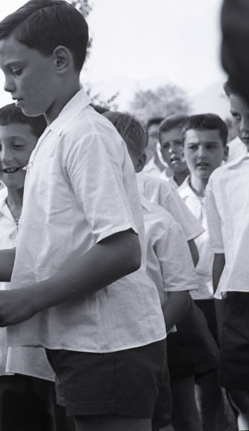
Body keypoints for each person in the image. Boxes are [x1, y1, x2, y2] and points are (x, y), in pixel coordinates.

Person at [0, 0, 167, 431]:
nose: (7, 85)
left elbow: (123, 249)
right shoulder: (55, 137)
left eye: (16, 70)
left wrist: (31, 298)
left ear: (60, 61)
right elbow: (35, 257)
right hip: (81, 341)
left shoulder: (86, 135)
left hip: (108, 341)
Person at [0, 105, 67, 431]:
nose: (6, 157)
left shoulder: (63, 215)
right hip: (4, 371)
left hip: (60, 365)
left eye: (18, 145)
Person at [104, 112, 204, 431]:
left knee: (169, 414)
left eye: (115, 154)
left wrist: (149, 332)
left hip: (155, 333)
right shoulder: (73, 213)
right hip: (95, 348)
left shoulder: (156, 208)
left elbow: (183, 274)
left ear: (139, 162)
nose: (102, 163)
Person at [178, 113, 231, 430]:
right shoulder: (172, 200)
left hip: (233, 300)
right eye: (193, 147)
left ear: (225, 150)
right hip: (192, 305)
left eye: (211, 146)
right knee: (203, 395)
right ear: (182, 151)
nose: (201, 155)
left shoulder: (239, 194)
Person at [206, 80, 249, 429]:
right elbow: (220, 257)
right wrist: (224, 329)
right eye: (237, 116)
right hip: (240, 307)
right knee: (241, 397)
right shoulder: (223, 180)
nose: (244, 128)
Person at [158, 115, 190, 187]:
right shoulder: (162, 190)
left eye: (178, 143)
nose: (171, 150)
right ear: (162, 154)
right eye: (166, 146)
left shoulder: (212, 185)